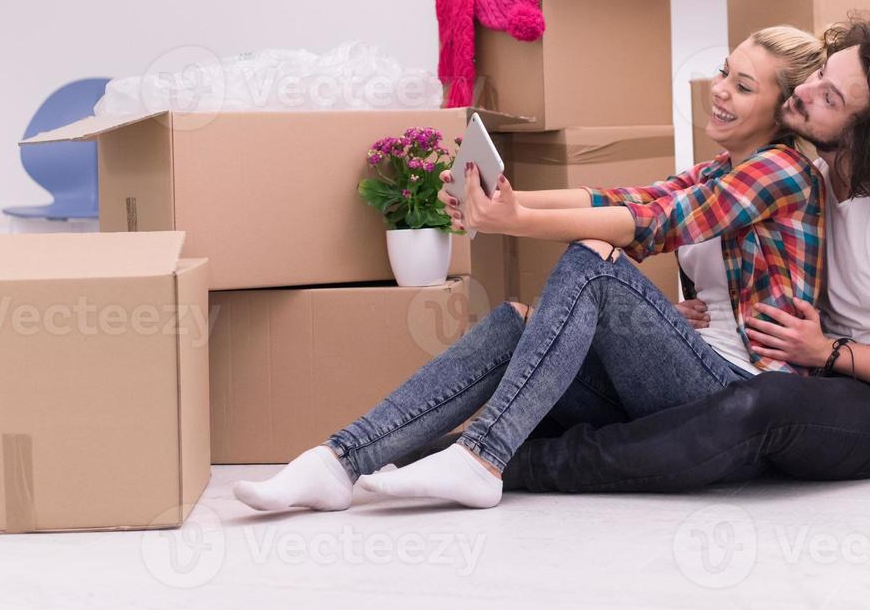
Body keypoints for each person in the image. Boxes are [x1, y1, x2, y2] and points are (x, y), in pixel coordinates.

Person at [233, 25, 828, 513]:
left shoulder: (782, 171)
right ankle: (339, 461)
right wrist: (501, 203)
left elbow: (657, 223)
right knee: (519, 321)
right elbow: (616, 199)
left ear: (782, 111)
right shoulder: (718, 168)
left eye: (744, 86)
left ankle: (481, 458)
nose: (720, 89)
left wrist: (509, 219)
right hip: (688, 369)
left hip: (739, 394)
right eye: (725, 71)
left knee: (594, 260)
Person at [500, 13, 870, 492]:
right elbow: (658, 205)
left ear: (866, 134)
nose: (804, 92)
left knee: (765, 404)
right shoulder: (813, 175)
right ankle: (482, 447)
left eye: (829, 97)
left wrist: (829, 351)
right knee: (733, 397)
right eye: (819, 75)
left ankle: (530, 465)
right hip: (829, 375)